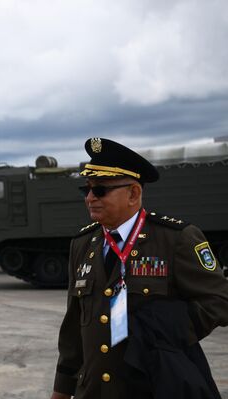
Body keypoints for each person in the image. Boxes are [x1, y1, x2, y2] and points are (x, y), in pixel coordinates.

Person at [51, 138, 228, 399]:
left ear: (133, 193)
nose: (90, 198)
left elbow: (219, 300)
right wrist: (62, 390)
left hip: (155, 385)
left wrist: (164, 329)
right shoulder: (82, 244)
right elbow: (74, 328)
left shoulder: (175, 238)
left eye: (100, 190)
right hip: (95, 390)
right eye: (86, 189)